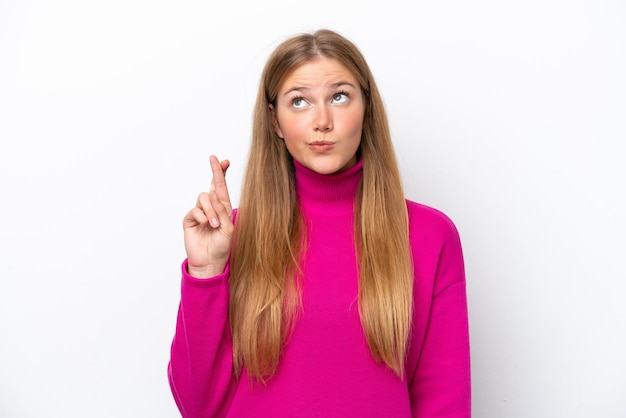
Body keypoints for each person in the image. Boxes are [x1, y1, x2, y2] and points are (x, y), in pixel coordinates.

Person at [168, 29, 471, 418]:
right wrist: (205, 272)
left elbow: (444, 401)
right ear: (275, 122)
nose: (322, 121)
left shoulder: (429, 236)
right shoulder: (230, 237)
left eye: (339, 97)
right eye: (299, 102)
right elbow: (197, 406)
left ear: (367, 109)